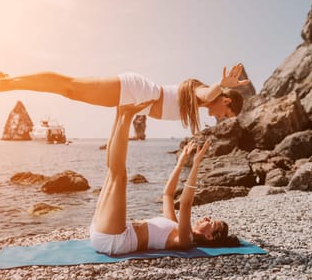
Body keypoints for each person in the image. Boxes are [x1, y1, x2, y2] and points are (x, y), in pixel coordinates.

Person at [89, 101, 239, 255]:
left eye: (211, 223)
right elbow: (167, 195)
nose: (207, 218)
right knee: (112, 171)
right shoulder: (175, 225)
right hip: (107, 232)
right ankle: (120, 112)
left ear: (209, 236)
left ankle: (127, 115)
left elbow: (186, 204)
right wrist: (180, 163)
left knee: (119, 175)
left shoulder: (185, 240)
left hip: (114, 240)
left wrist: (195, 165)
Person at [0, 64, 250, 134]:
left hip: (133, 101)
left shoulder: (198, 103)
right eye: (226, 114)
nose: (220, 119)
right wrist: (221, 84)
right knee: (69, 87)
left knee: (71, 91)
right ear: (225, 101)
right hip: (136, 91)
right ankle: (4, 82)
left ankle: (5, 81)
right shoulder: (201, 93)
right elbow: (208, 93)